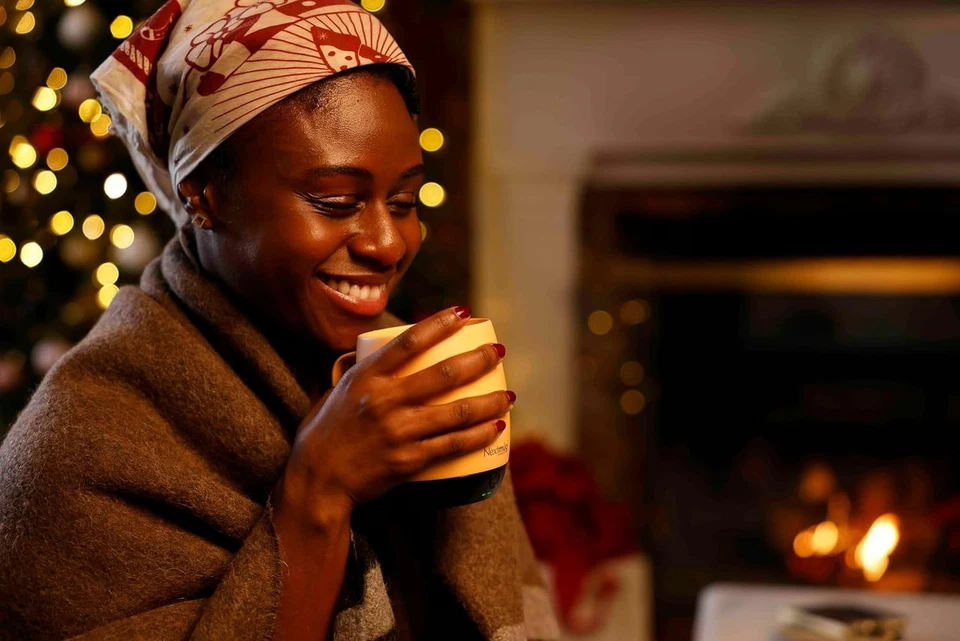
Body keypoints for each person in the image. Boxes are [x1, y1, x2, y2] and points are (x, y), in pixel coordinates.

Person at [0, 1, 559, 639]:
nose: (387, 243)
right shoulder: (74, 455)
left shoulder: (411, 380)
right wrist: (317, 490)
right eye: (336, 201)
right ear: (203, 195)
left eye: (402, 201)